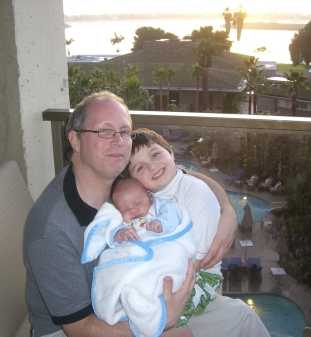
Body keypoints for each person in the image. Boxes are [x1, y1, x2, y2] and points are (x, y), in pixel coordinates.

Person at [23, 91, 237, 337]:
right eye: (104, 131)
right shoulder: (52, 230)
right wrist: (160, 321)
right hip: (80, 327)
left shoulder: (120, 178)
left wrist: (226, 209)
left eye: (124, 132)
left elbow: (181, 178)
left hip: (139, 296)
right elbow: (80, 329)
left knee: (242, 317)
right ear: (76, 140)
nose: (118, 141)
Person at [126, 128, 271, 337]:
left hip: (199, 278)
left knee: (153, 323)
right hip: (172, 272)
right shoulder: (148, 200)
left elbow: (198, 258)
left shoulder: (195, 192)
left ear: (171, 153)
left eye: (155, 154)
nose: (152, 166)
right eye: (140, 167)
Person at [82, 178, 197, 337]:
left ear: (150, 197)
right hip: (138, 262)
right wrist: (121, 234)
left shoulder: (160, 209)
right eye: (124, 210)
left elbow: (173, 217)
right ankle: (141, 305)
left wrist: (161, 224)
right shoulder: (125, 224)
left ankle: (149, 305)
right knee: (131, 283)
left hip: (163, 251)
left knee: (174, 254)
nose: (133, 210)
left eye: (138, 202)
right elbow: (113, 236)